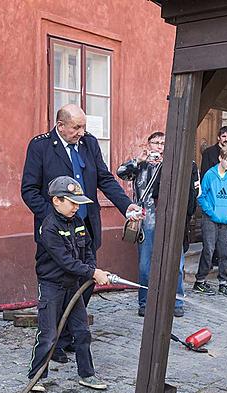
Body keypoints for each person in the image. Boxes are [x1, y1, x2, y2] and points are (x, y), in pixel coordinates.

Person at [21, 104, 139, 362]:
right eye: (76, 127)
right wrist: (54, 219)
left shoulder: (89, 144)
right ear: (60, 125)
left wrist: (126, 205)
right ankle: (55, 343)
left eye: (84, 126)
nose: (81, 132)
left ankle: (69, 336)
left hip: (86, 230)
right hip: (55, 233)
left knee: (84, 284)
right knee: (59, 286)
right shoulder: (40, 147)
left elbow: (104, 179)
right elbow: (29, 190)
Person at [28, 176, 110, 393]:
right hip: (51, 286)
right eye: (72, 202)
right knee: (48, 335)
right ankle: (36, 377)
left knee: (82, 331)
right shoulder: (49, 227)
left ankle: (87, 375)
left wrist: (92, 268)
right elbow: (65, 261)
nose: (76, 207)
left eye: (78, 203)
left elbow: (88, 250)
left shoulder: (77, 222)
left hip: (72, 285)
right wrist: (92, 272)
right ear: (56, 201)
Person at [117, 132, 199, 317]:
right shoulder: (141, 165)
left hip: (172, 222)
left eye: (163, 143)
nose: (160, 147)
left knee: (176, 265)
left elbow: (194, 192)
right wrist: (139, 160)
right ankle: (145, 302)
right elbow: (121, 172)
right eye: (156, 143)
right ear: (149, 145)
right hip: (147, 222)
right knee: (146, 265)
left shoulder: (175, 164)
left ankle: (177, 302)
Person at [194, 147, 227, 297]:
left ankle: (223, 283)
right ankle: (200, 281)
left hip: (225, 220)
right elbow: (201, 196)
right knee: (209, 250)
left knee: (225, 252)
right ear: (221, 158)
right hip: (210, 219)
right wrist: (211, 212)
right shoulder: (210, 175)